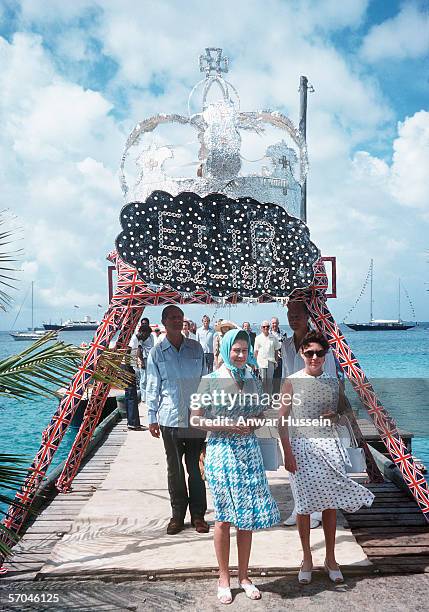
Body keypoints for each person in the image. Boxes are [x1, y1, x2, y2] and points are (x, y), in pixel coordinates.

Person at [191, 329, 280, 604]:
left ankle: (244, 576)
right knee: (224, 516)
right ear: (226, 349)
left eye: (245, 350)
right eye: (236, 350)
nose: (241, 355)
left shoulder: (252, 378)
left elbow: (261, 415)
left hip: (249, 452)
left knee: (247, 517)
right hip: (221, 452)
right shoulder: (210, 380)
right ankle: (223, 577)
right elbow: (194, 419)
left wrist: (252, 423)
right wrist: (227, 425)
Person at [278, 330, 374, 585]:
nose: (314, 357)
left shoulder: (333, 381)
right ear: (301, 353)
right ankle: (307, 558)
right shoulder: (292, 380)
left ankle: (331, 558)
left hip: (329, 445)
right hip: (300, 448)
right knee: (304, 505)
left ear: (326, 355)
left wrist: (336, 416)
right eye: (309, 352)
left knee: (330, 503)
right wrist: (287, 452)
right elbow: (281, 420)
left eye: (320, 353)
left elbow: (343, 411)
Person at [146, 305, 208, 535]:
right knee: (175, 469)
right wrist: (151, 416)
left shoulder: (196, 347)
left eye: (179, 317)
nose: (176, 321)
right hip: (169, 417)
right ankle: (177, 516)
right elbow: (152, 385)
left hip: (195, 417)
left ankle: (199, 515)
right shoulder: (157, 351)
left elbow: (205, 381)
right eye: (172, 317)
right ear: (163, 322)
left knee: (195, 468)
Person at [281, 300, 338, 529]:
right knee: (294, 462)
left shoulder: (320, 344)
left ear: (307, 316)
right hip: (294, 408)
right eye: (290, 314)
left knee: (316, 460)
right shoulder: (285, 344)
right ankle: (299, 507)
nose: (293, 318)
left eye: (297, 314)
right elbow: (286, 375)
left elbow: (331, 377)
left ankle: (315, 511)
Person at [254, 320, 281, 396]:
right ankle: (264, 398)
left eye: (267, 326)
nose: (266, 328)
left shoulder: (273, 337)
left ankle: (269, 399)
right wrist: (255, 364)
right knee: (263, 382)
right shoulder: (258, 338)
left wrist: (276, 362)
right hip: (261, 362)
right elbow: (255, 352)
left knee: (269, 382)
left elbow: (276, 350)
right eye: (264, 327)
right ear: (261, 328)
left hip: (271, 362)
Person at [121, 348, 142, 430]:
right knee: (131, 396)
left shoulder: (135, 339)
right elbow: (127, 351)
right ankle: (132, 423)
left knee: (130, 395)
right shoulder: (133, 339)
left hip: (127, 366)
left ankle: (134, 422)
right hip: (127, 367)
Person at [136, 324, 154, 402]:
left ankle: (149, 396)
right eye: (147, 334)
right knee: (143, 379)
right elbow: (138, 351)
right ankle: (144, 397)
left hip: (150, 358)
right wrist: (142, 362)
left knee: (150, 378)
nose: (148, 335)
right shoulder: (139, 339)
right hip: (144, 358)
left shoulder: (150, 337)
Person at [270, 317, 286, 394]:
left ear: (278, 323)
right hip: (270, 359)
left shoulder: (283, 333)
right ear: (271, 324)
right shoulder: (267, 333)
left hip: (280, 359)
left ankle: (278, 394)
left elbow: (286, 345)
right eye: (273, 323)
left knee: (279, 377)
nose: (274, 325)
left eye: (276, 323)